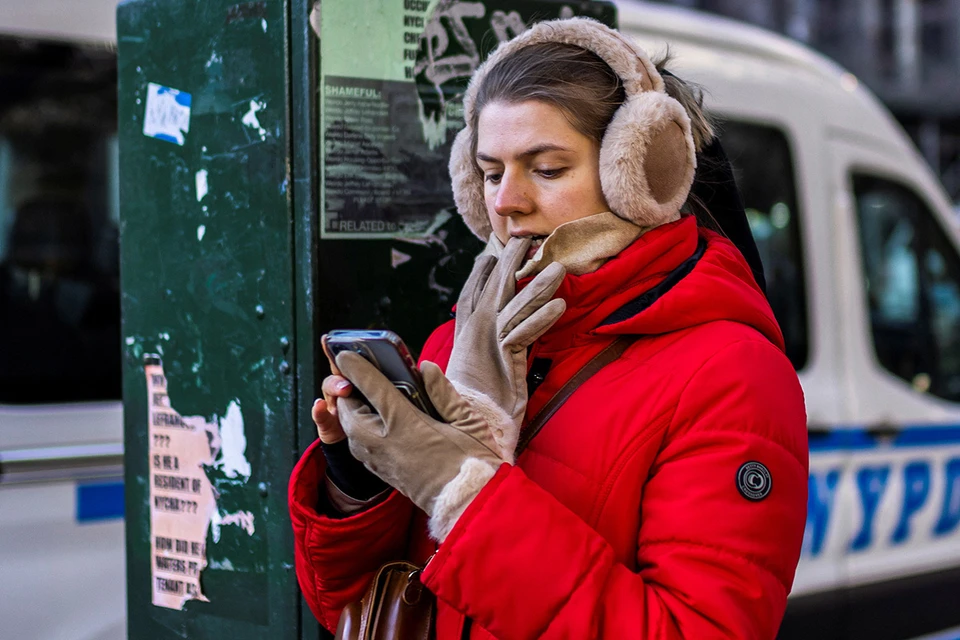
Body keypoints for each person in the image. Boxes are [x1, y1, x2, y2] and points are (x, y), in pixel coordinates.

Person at [289, 17, 808, 639]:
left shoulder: (729, 373)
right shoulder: (455, 343)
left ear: (639, 174)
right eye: (490, 172)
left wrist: (463, 492)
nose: (506, 201)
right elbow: (359, 604)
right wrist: (358, 478)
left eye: (547, 168)